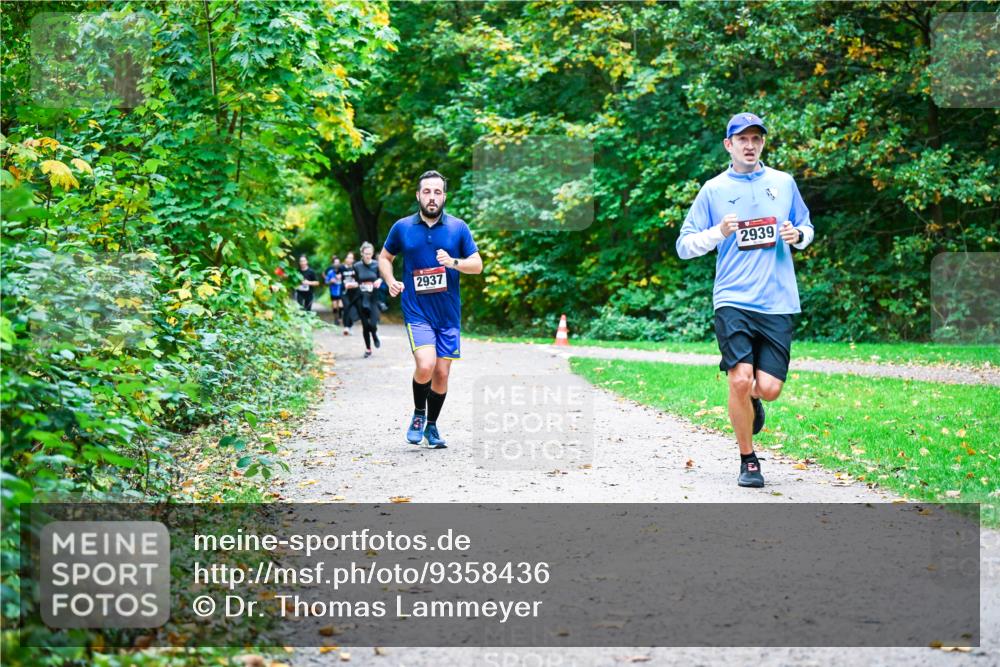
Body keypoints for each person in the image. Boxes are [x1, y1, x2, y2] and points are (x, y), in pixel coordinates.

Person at [675, 112, 814, 488]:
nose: (750, 145)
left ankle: (753, 402)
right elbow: (684, 246)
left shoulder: (783, 183)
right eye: (742, 139)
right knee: (740, 378)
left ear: (763, 144)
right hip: (733, 297)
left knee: (768, 388)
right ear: (729, 145)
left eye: (756, 139)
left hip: (777, 300)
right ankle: (748, 459)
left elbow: (807, 227)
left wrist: (796, 234)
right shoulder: (714, 190)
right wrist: (717, 232)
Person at [379, 170, 483, 448]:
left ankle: (432, 427)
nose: (432, 197)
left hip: (448, 315)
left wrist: (453, 262)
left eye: (438, 192)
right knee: (425, 365)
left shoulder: (458, 228)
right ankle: (418, 413)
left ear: (444, 196)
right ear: (418, 195)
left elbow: (478, 264)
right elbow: (385, 257)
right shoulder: (402, 227)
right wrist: (390, 281)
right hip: (417, 311)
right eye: (427, 192)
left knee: (442, 374)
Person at [353, 242, 383, 358]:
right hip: (361, 297)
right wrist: (353, 285)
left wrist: (379, 280)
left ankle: (374, 334)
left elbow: (382, 276)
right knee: (366, 325)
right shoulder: (356, 266)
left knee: (373, 324)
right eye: (366, 254)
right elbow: (356, 281)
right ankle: (368, 348)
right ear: (362, 253)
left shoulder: (377, 265)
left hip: (373, 298)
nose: (368, 256)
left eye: (370, 254)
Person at [339, 251, 359, 335]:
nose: (349, 259)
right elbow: (337, 277)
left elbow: (359, 279)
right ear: (345, 259)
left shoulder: (356, 268)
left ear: (353, 259)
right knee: (346, 307)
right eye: (348, 257)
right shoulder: (341, 268)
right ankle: (346, 327)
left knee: (353, 309)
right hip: (344, 291)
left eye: (351, 258)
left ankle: (350, 326)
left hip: (354, 292)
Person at [325, 255, 343, 325]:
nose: (337, 264)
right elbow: (326, 282)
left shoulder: (342, 271)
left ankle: (340, 318)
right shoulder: (330, 272)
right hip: (333, 291)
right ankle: (336, 319)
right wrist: (330, 281)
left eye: (338, 262)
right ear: (333, 264)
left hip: (341, 291)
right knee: (335, 306)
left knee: (341, 306)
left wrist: (341, 278)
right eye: (335, 262)